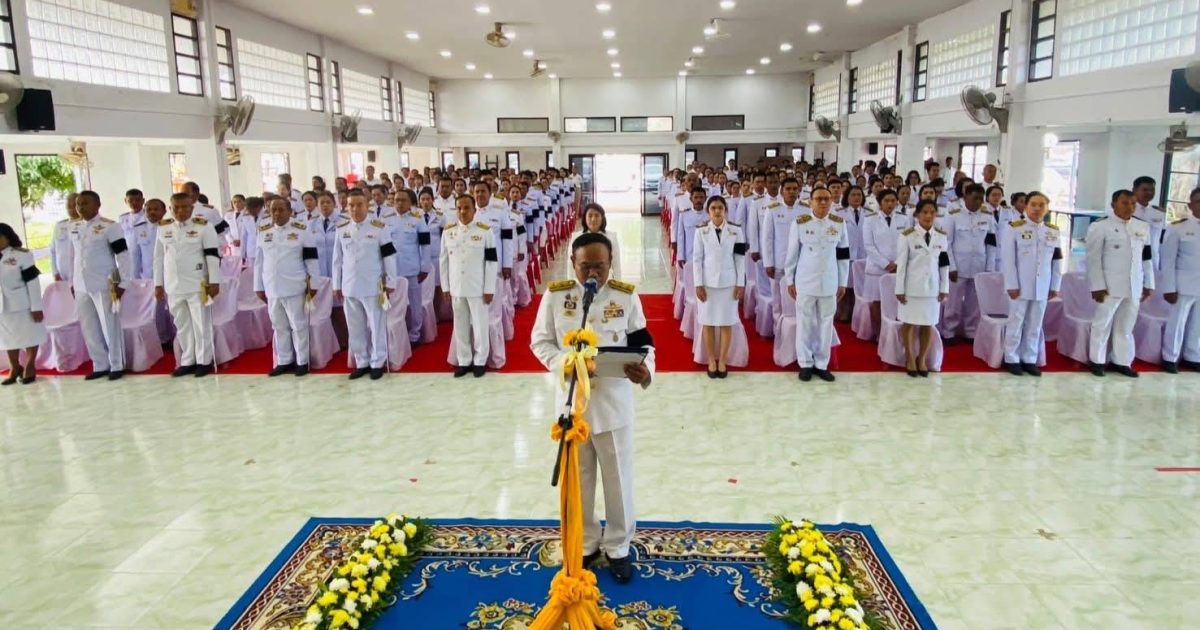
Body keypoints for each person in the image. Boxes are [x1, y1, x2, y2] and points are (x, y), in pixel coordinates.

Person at [530, 232, 655, 584]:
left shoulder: (625, 296)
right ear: (573, 263)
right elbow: (540, 341)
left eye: (600, 266)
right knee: (580, 480)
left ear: (611, 263)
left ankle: (618, 546)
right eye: (585, 266)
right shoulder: (557, 296)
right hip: (573, 407)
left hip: (613, 406)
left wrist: (646, 370)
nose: (593, 274)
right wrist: (564, 363)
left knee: (618, 482)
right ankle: (585, 542)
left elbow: (644, 343)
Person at [1085, 189, 1154, 377]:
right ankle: (1097, 360)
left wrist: (1149, 282)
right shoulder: (1100, 226)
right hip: (1110, 285)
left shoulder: (1142, 226)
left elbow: (1146, 257)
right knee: (1102, 323)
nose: (1129, 207)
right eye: (1124, 203)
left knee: (1126, 325)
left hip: (1134, 284)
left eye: (1133, 203)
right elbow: (1093, 259)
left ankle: (1122, 361)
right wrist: (1097, 285)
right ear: (1113, 204)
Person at [784, 188, 849, 382]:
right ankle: (805, 363)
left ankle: (822, 364)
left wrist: (843, 282)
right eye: (819, 199)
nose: (823, 203)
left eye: (827, 199)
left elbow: (843, 255)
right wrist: (790, 280)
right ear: (810, 202)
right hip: (806, 281)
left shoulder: (839, 223)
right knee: (804, 322)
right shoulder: (800, 223)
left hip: (829, 281)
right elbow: (792, 254)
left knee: (826, 323)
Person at [154, 192, 222, 377]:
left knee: (201, 323)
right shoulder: (163, 227)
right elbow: (158, 258)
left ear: (192, 208)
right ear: (170, 209)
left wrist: (214, 281)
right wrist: (158, 284)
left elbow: (212, 256)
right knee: (182, 324)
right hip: (173, 284)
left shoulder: (204, 226)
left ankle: (204, 361)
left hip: (197, 283)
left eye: (185, 207)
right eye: (176, 208)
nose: (180, 211)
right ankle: (188, 360)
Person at [333, 190, 398, 381]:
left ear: (367, 205)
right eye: (351, 205)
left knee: (376, 326)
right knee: (355, 327)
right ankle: (362, 361)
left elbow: (389, 256)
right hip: (350, 286)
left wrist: (390, 281)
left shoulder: (379, 227)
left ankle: (377, 361)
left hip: (372, 285)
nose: (355, 209)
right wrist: (336, 284)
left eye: (359, 205)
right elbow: (337, 260)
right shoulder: (341, 229)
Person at [70, 190, 133, 381]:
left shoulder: (110, 226)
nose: (80, 207)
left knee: (109, 325)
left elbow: (122, 255)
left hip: (104, 283)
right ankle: (100, 364)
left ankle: (116, 364)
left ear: (97, 205)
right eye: (78, 204)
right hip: (81, 284)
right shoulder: (74, 226)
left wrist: (123, 282)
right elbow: (73, 256)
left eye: (85, 203)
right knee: (89, 326)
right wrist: (71, 281)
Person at [1000, 191, 1063, 376]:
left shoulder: (1053, 231)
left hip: (1042, 285)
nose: (1037, 208)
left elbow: (1057, 260)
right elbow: (1008, 260)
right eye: (1033, 204)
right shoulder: (1014, 228)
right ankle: (1011, 358)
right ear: (1026, 207)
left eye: (1041, 205)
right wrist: (1011, 284)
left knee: (1035, 323)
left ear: (1047, 208)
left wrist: (1055, 285)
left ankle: (1029, 358)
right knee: (1016, 322)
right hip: (1020, 284)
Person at [254, 198, 319, 377]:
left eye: (281, 210)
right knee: (278, 325)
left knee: (298, 325)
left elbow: (311, 259)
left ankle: (302, 361)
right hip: (272, 286)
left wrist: (314, 283)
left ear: (290, 211)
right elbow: (259, 261)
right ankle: (284, 360)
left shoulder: (301, 230)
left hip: (294, 286)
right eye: (273, 210)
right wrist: (258, 286)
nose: (276, 213)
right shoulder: (263, 230)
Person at [441, 194, 498, 377]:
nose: (463, 211)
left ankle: (480, 360)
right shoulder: (448, 232)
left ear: (474, 210)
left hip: (477, 288)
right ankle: (464, 360)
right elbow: (443, 261)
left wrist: (489, 288)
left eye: (467, 208)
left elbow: (491, 262)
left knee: (480, 325)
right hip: (457, 287)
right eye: (459, 208)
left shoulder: (485, 231)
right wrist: (445, 287)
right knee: (460, 325)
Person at [895, 200, 951, 377]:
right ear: (917, 215)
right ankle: (910, 358)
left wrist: (944, 287)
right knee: (909, 323)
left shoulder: (941, 236)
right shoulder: (907, 235)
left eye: (932, 212)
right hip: (912, 287)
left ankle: (922, 359)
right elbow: (901, 264)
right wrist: (899, 289)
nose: (928, 216)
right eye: (925, 212)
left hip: (932, 288)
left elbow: (944, 264)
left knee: (928, 324)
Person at [692, 196, 746, 377]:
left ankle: (722, 360)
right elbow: (697, 259)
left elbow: (740, 259)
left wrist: (740, 284)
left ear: (725, 210)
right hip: (707, 284)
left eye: (720, 208)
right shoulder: (701, 231)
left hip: (729, 284)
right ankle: (711, 360)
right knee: (707, 323)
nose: (717, 211)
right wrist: (698, 284)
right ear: (708, 211)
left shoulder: (736, 231)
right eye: (713, 208)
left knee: (726, 322)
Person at [943, 184, 996, 342]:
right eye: (975, 198)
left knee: (974, 302)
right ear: (965, 197)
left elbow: (991, 244)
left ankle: (970, 331)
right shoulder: (954, 215)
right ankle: (949, 331)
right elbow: (947, 243)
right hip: (958, 266)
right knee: (953, 302)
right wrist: (951, 266)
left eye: (981, 199)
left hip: (979, 265)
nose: (978, 202)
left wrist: (989, 268)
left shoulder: (988, 216)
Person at [1160, 187, 1200, 373]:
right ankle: (1170, 357)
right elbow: (1168, 261)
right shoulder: (1178, 228)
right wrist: (1169, 287)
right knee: (1177, 322)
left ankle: (1194, 356)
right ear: (1190, 205)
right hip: (1183, 285)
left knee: (1197, 325)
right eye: (1198, 201)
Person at [862, 189, 912, 336]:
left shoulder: (904, 219)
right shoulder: (870, 219)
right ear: (880, 202)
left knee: (896, 302)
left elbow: (908, 242)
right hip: (876, 268)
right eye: (886, 201)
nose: (890, 204)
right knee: (876, 302)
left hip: (898, 267)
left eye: (893, 201)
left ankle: (894, 335)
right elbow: (869, 246)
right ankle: (879, 334)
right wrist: (885, 263)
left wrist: (897, 263)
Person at [0, 223, 45, 385]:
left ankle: (30, 365)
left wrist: (36, 307)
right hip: (2, 307)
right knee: (7, 337)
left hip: (22, 303)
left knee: (29, 334)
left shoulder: (21, 255)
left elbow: (32, 282)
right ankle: (15, 367)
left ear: (8, 237)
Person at [762, 177, 811, 321]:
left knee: (799, 296)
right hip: (779, 261)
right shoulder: (773, 209)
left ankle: (797, 326)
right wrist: (768, 263)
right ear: (782, 191)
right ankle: (778, 327)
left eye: (795, 189)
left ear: (799, 191)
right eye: (788, 189)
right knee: (777, 298)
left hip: (800, 262)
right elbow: (767, 238)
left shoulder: (806, 209)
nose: (791, 192)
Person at [391, 189, 432, 344]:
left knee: (415, 304)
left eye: (403, 200)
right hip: (392, 271)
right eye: (397, 200)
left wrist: (425, 267)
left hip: (412, 269)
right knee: (395, 304)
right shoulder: (387, 220)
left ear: (410, 203)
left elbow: (425, 245)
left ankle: (415, 334)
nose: (400, 203)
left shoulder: (418, 219)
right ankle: (398, 335)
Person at [573, 203, 623, 280]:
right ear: (585, 218)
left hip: (605, 280)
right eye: (590, 216)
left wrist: (618, 283)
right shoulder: (576, 237)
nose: (593, 219)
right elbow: (571, 266)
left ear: (602, 218)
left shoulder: (611, 237)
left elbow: (616, 265)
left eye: (597, 216)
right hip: (582, 280)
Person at [1132, 176, 1167, 269]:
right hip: (1131, 259)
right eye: (1145, 190)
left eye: (1152, 190)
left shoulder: (1159, 213)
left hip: (1152, 260)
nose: (1149, 193)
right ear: (1134, 190)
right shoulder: (1127, 211)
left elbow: (1162, 240)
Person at [308, 192, 341, 277]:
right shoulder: (311, 223)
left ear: (334, 204)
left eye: (328, 202)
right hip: (318, 270)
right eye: (322, 203)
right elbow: (309, 248)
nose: (325, 205)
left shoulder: (343, 222)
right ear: (317, 205)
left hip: (339, 269)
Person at [50, 192, 79, 282]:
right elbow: (53, 251)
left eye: (74, 206)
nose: (71, 209)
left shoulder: (86, 225)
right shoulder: (59, 226)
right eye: (69, 206)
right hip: (62, 276)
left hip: (80, 274)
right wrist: (55, 272)